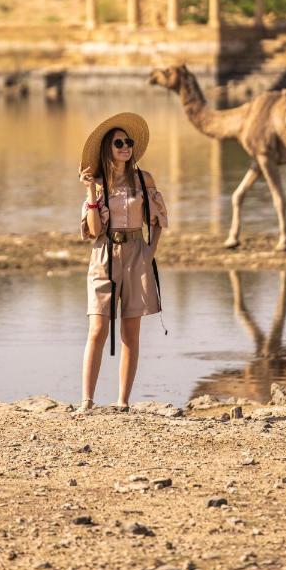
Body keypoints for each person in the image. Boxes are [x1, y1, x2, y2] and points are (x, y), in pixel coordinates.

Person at [77, 112, 168, 413]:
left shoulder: (145, 179)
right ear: (108, 148)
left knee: (131, 333)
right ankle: (87, 401)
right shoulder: (100, 185)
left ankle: (122, 402)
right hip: (104, 255)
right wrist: (90, 192)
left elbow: (158, 220)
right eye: (119, 143)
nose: (126, 147)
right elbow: (92, 231)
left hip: (136, 254)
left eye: (128, 142)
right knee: (97, 329)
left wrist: (149, 253)